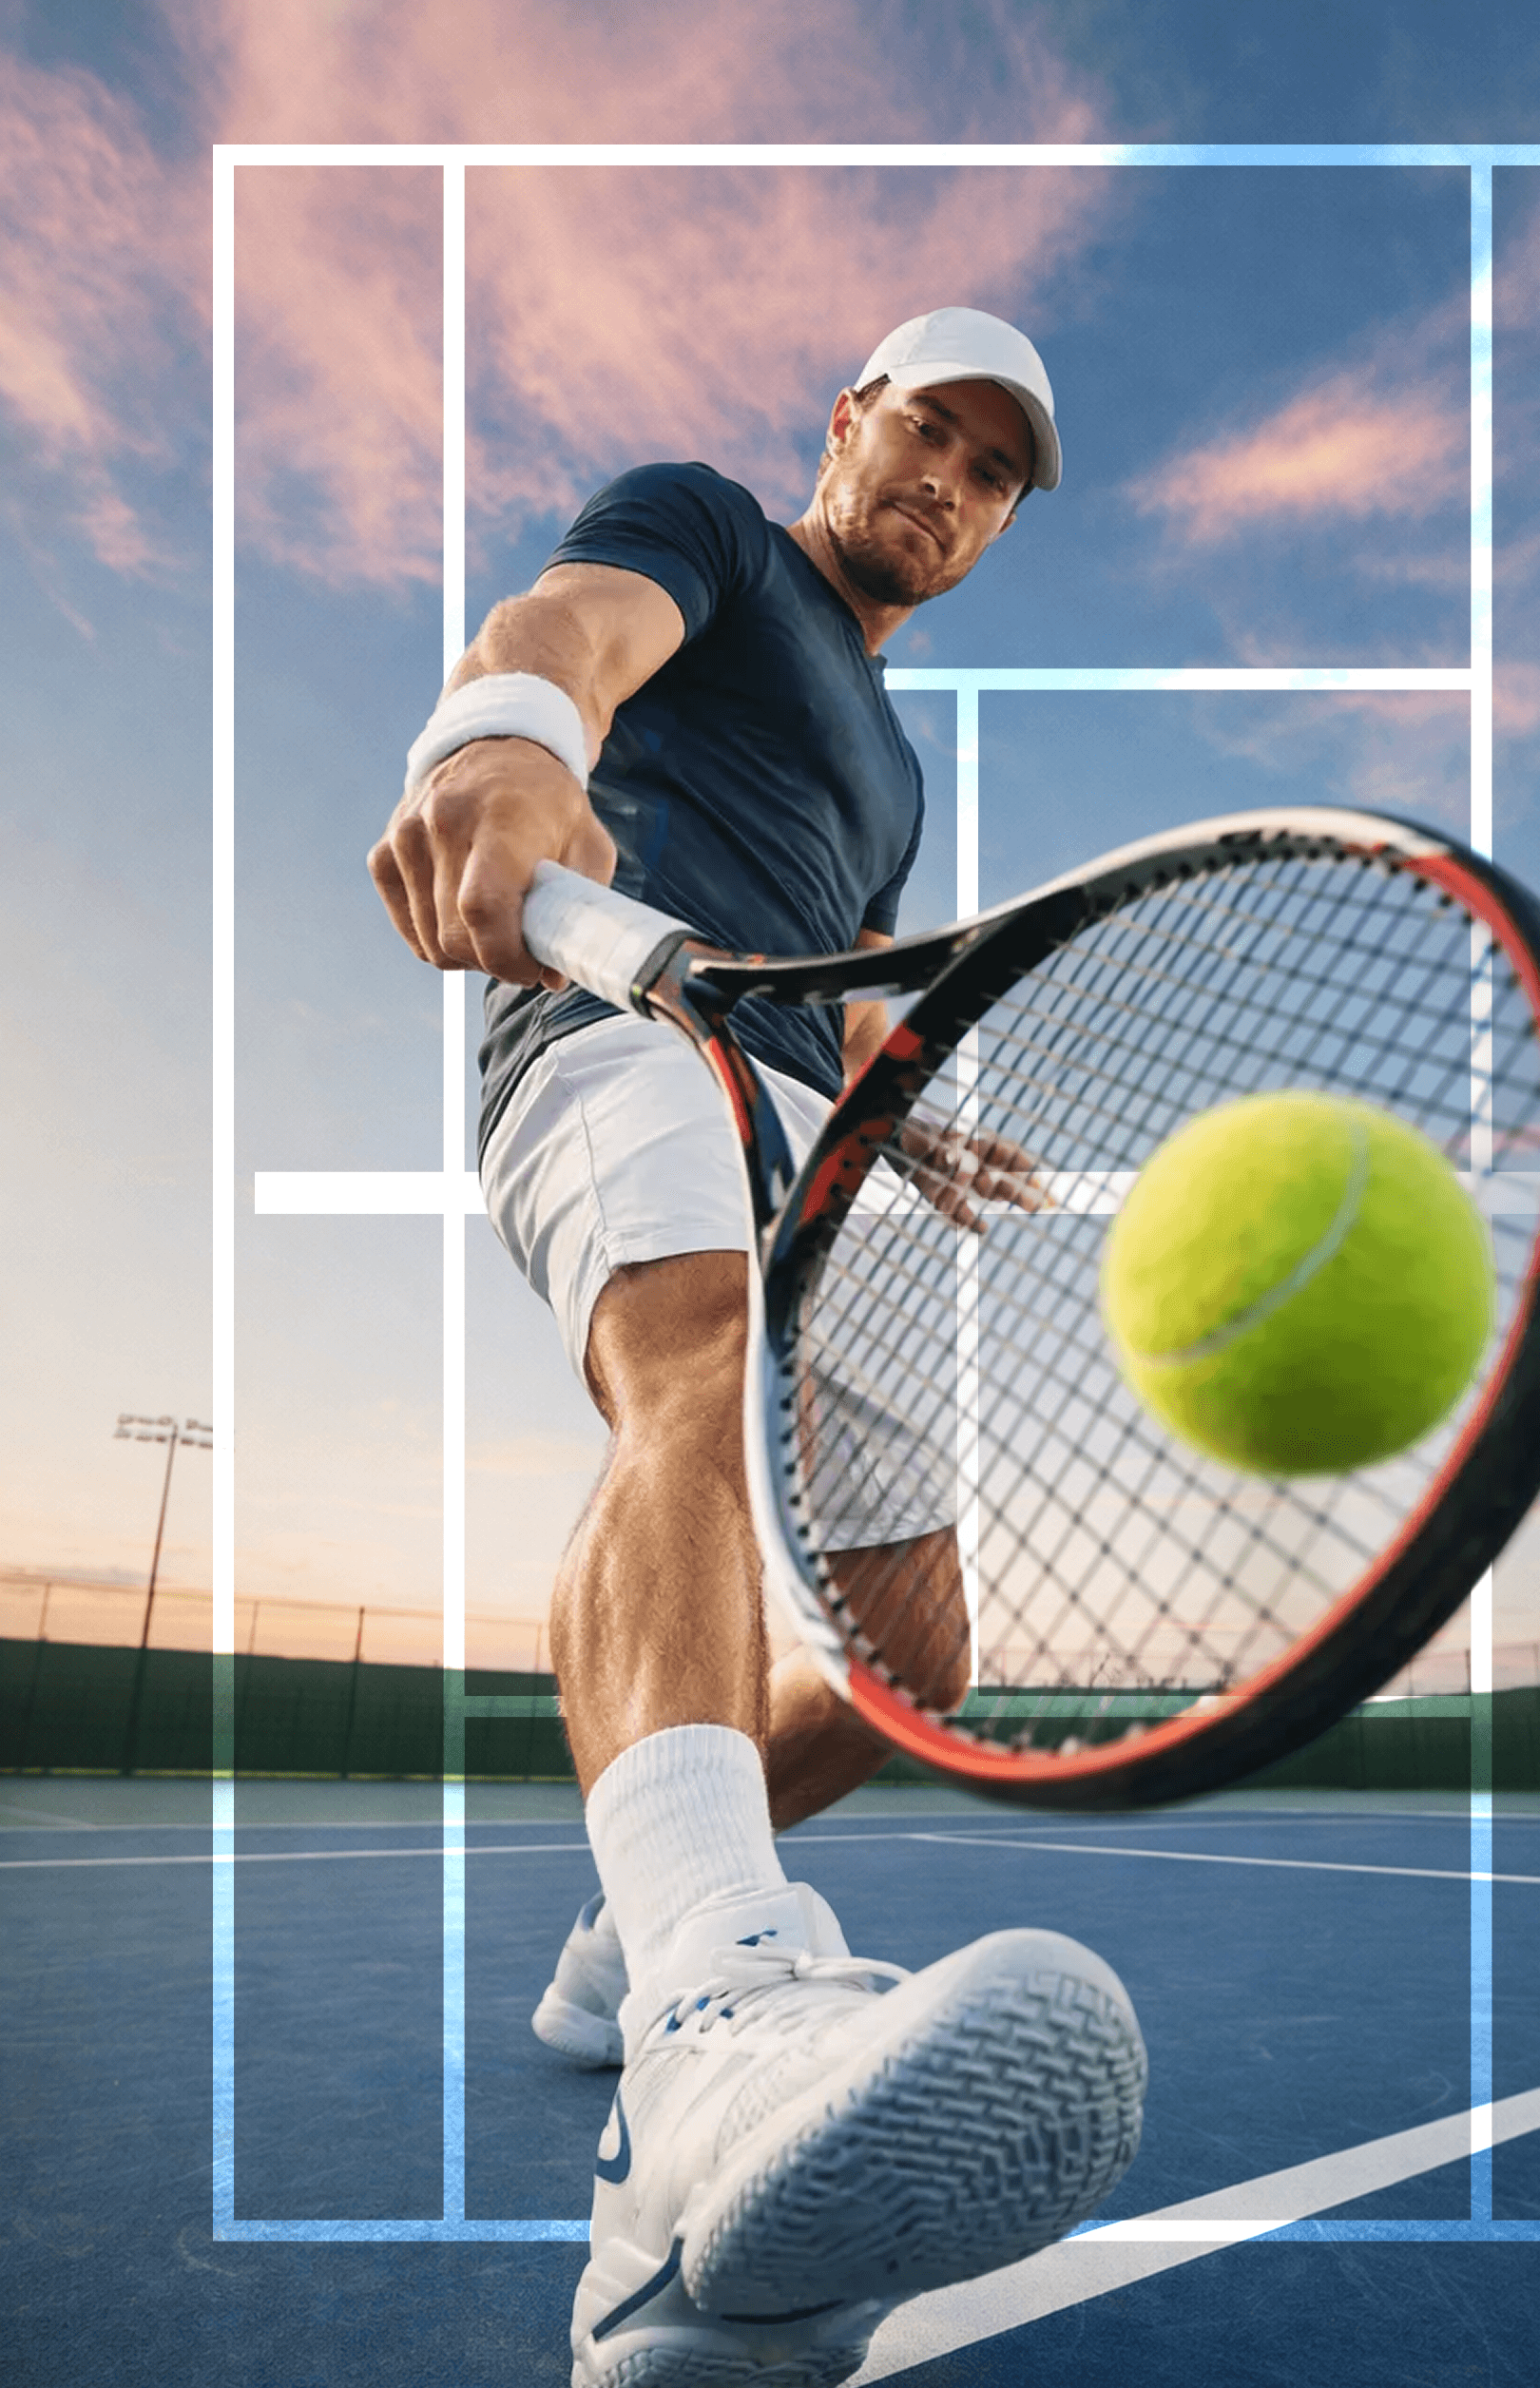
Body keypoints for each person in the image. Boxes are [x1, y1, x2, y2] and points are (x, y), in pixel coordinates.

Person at [369, 308, 1146, 2388]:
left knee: (916, 1658)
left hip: (814, 1128)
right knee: (685, 1366)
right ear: (845, 423)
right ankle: (704, 2030)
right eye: (930, 435)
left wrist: (910, 1097)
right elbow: (563, 626)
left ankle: (634, 1909)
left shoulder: (887, 761)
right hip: (612, 1029)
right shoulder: (704, 526)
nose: (952, 486)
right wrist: (508, 746)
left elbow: (847, 969)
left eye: (992, 475)